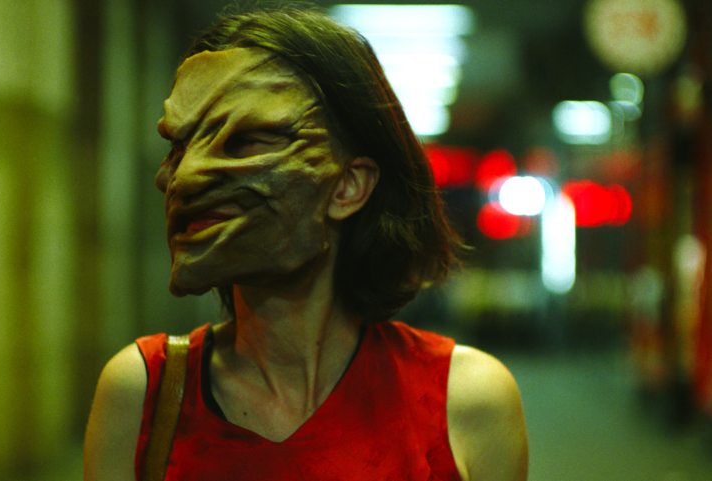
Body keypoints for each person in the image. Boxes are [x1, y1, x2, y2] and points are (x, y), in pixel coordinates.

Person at [85, 5, 528, 481]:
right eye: (179, 145)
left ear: (349, 186)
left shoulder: (465, 401)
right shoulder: (144, 395)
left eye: (247, 141)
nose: (184, 178)